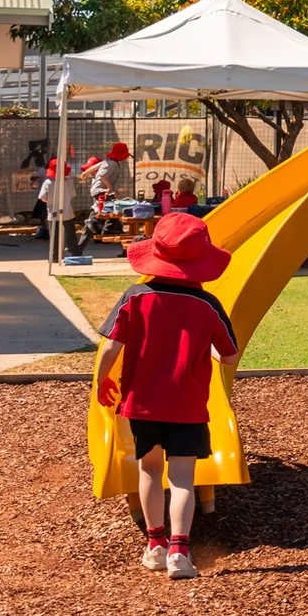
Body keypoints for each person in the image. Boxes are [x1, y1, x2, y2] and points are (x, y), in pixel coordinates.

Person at [93, 214, 241, 582]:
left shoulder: (135, 297)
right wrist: (206, 351)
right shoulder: (207, 304)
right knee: (182, 479)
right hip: (187, 406)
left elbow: (111, 347)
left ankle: (155, 544)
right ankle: (180, 552)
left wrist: (101, 381)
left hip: (142, 403)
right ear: (200, 260)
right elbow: (229, 356)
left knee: (149, 470)